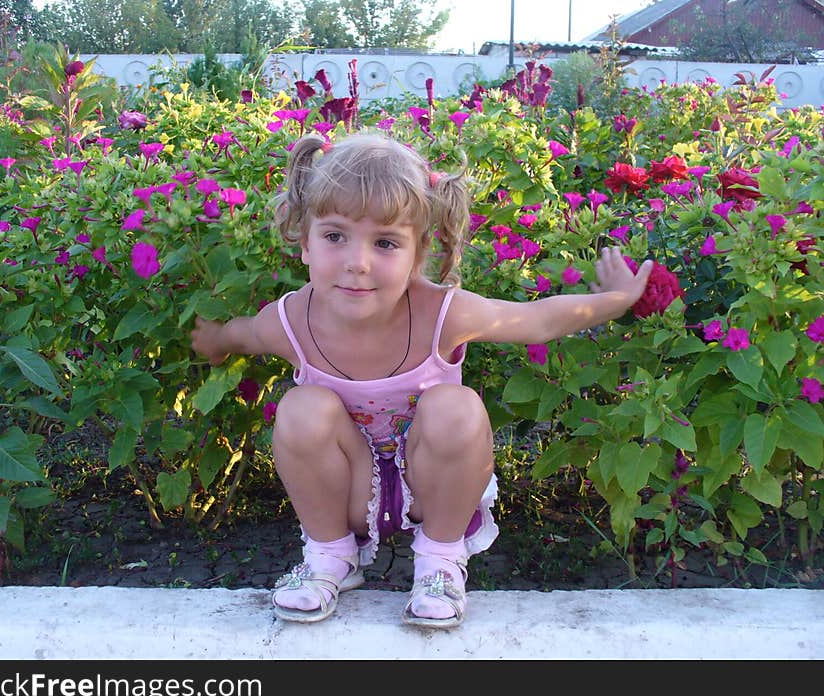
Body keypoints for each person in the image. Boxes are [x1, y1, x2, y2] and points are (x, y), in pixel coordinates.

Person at [190, 131, 653, 629]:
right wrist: (205, 340)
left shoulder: (443, 314)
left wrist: (614, 301)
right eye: (334, 236)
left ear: (419, 253)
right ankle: (330, 560)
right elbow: (242, 335)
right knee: (301, 407)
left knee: (457, 406)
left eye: (385, 242)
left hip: (432, 487)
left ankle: (440, 564)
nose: (357, 261)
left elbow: (533, 320)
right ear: (305, 241)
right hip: (349, 491)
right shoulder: (291, 320)